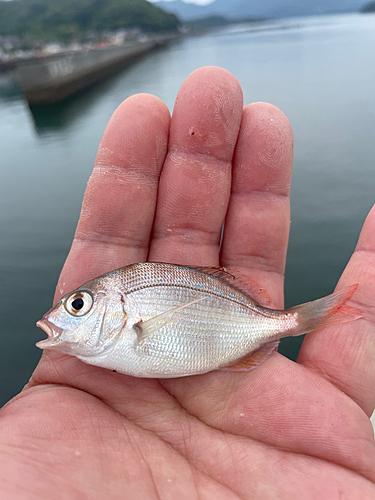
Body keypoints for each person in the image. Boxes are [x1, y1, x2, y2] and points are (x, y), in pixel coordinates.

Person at [1, 66, 374, 498]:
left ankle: (301, 319)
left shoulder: (125, 327)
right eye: (74, 305)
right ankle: (304, 317)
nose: (63, 315)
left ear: (118, 311)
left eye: (78, 305)